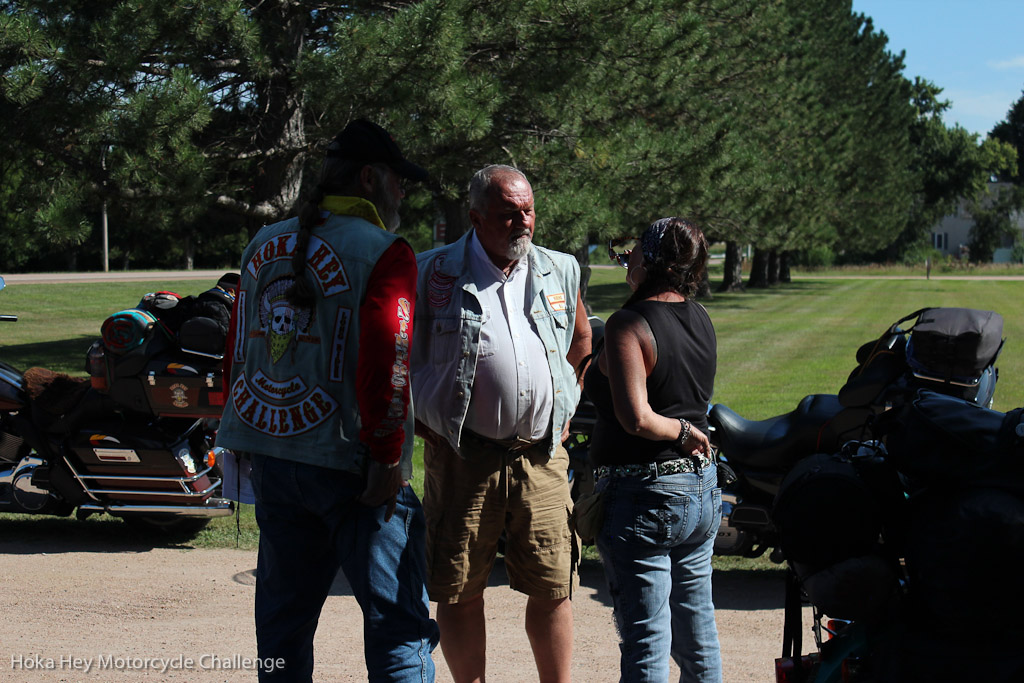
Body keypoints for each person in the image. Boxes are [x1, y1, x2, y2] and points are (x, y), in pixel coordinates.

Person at [215, 119, 439, 682]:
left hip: (273, 453)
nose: (403, 192)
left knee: (282, 630)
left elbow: (237, 351)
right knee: (399, 630)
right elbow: (388, 358)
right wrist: (387, 456)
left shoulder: (263, 242)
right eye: (397, 179)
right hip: (353, 466)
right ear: (369, 178)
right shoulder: (385, 250)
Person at [411, 164, 592, 683]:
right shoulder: (433, 272)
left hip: (541, 456)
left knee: (554, 587)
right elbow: (397, 353)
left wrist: (568, 400)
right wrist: (420, 418)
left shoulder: (559, 268)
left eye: (528, 210)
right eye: (508, 214)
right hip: (462, 458)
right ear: (476, 217)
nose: (523, 222)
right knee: (460, 590)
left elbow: (582, 339)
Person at [584, 217, 722, 682]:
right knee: (698, 635)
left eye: (637, 249)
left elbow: (637, 418)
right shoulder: (701, 316)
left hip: (646, 496)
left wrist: (682, 432)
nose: (628, 257)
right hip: (700, 491)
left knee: (647, 640)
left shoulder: (629, 323)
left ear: (654, 259)